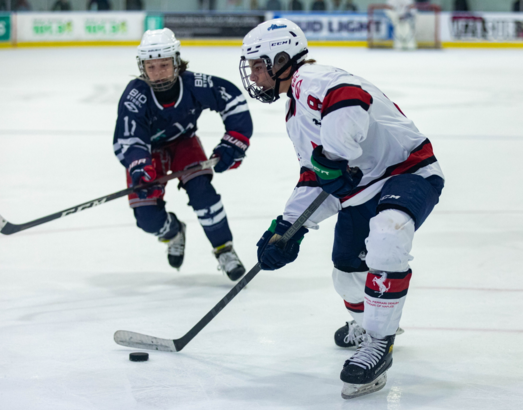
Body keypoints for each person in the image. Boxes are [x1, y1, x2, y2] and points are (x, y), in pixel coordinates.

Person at [239, 18, 444, 399]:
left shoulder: (313, 79)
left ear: (281, 60)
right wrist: (287, 228)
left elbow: (350, 98)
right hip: (362, 190)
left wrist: (334, 155)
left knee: (388, 235)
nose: (253, 75)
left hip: (408, 171)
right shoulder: (294, 115)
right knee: (346, 271)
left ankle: (379, 343)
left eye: (256, 65)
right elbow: (314, 177)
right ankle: (368, 323)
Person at [113, 28, 253, 281]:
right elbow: (128, 138)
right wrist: (139, 166)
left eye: (164, 65)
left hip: (184, 144)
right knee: (148, 220)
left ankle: (224, 249)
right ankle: (174, 232)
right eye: (151, 67)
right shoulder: (135, 95)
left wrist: (234, 142)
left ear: (176, 62)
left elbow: (232, 99)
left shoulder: (194, 84)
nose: (158, 73)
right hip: (147, 153)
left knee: (203, 193)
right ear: (142, 67)